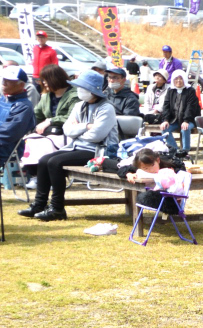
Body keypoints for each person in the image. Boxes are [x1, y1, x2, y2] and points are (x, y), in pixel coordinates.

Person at [19, 71, 117, 222]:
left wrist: (77, 130)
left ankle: (57, 208)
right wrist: (87, 126)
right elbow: (67, 130)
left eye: (83, 87)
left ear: (93, 90)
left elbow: (96, 136)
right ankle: (39, 204)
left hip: (97, 151)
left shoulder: (106, 108)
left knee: (55, 162)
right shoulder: (79, 105)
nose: (79, 90)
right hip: (76, 146)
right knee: (44, 160)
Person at [0, 67, 37, 181]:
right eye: (3, 79)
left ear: (21, 85)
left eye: (9, 81)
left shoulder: (24, 106)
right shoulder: (2, 99)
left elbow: (9, 132)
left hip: (7, 148)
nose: (4, 83)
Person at [160, 70, 200, 157]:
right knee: (165, 129)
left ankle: (185, 151)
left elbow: (191, 107)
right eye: (176, 79)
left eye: (181, 78)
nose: (178, 81)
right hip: (174, 120)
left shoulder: (190, 91)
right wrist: (166, 120)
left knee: (185, 128)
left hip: (189, 119)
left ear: (184, 79)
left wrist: (186, 120)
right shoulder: (170, 90)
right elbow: (166, 106)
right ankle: (175, 151)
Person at [33, 64, 78, 136]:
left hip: (67, 134)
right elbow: (36, 115)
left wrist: (51, 121)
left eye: (46, 79)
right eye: (42, 80)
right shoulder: (47, 96)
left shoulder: (74, 96)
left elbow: (73, 118)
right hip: (49, 133)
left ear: (55, 79)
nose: (43, 82)